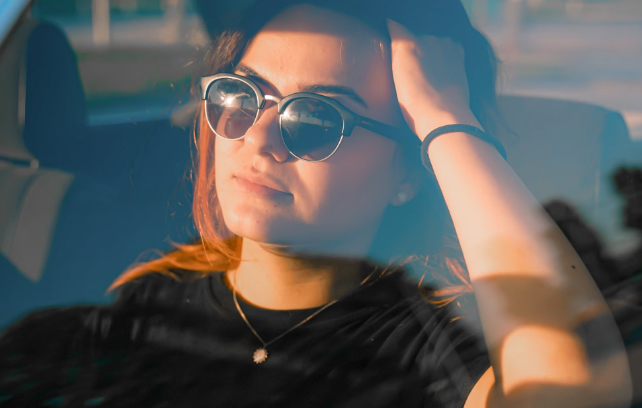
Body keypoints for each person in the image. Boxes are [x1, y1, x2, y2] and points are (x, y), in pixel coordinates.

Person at [0, 0, 633, 407]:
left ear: (407, 173)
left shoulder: (439, 350)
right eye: (241, 95)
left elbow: (578, 389)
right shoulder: (149, 296)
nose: (260, 136)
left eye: (317, 119)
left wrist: (446, 120)